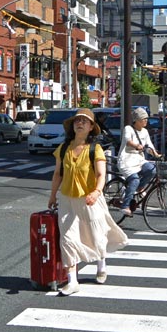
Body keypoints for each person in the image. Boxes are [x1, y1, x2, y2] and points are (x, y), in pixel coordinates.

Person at [48, 108, 128, 296]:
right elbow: (58, 174)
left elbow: (101, 174)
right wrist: (52, 196)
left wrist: (96, 192)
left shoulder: (95, 149)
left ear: (91, 127)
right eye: (77, 120)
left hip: (90, 199)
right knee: (67, 238)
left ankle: (101, 264)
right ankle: (72, 281)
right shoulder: (64, 148)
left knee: (96, 235)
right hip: (67, 198)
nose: (80, 123)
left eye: (84, 121)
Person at [117, 107, 162, 216]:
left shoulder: (145, 131)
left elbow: (149, 145)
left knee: (152, 170)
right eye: (143, 119)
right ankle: (125, 206)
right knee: (135, 180)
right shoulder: (128, 129)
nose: (146, 121)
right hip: (126, 160)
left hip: (138, 159)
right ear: (136, 120)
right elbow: (128, 141)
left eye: (146, 119)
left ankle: (139, 188)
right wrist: (136, 145)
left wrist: (156, 154)